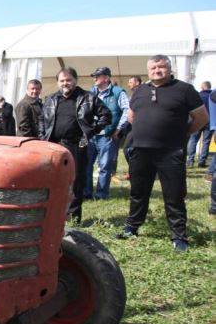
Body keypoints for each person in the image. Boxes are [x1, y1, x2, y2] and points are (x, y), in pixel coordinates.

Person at [118, 55, 208, 252]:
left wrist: (184, 133)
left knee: (174, 194)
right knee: (138, 192)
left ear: (169, 68)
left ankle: (179, 237)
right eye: (153, 67)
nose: (157, 70)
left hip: (171, 151)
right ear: (148, 70)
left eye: (161, 67)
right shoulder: (140, 90)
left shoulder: (184, 89)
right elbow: (132, 116)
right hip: (141, 150)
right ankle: (131, 227)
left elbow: (201, 117)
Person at [40, 67, 111, 223]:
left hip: (76, 145)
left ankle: (73, 218)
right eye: (62, 80)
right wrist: (42, 137)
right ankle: (53, 216)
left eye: (69, 80)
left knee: (76, 181)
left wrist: (91, 131)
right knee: (53, 180)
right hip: (53, 146)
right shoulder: (51, 99)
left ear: (75, 80)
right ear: (58, 82)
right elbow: (42, 120)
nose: (66, 83)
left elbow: (106, 115)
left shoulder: (88, 97)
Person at [84, 67, 130, 200]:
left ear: (106, 78)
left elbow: (127, 111)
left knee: (104, 166)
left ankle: (101, 195)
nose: (94, 79)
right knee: (87, 164)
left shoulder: (118, 92)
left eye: (97, 76)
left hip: (107, 136)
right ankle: (86, 193)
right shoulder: (91, 93)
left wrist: (118, 129)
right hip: (92, 135)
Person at [186, 81, 213, 168]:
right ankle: (202, 162)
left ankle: (190, 160)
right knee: (206, 142)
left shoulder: (198, 95)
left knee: (193, 140)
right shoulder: (213, 96)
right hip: (209, 122)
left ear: (202, 87)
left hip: (198, 120)